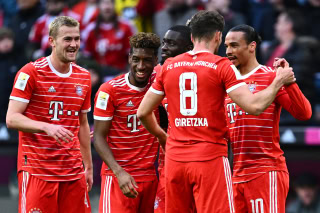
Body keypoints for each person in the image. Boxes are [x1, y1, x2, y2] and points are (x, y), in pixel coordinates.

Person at [137, 10, 295, 213]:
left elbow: (143, 112)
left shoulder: (169, 66)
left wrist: (162, 136)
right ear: (218, 36)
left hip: (175, 161)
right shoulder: (221, 66)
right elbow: (255, 107)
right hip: (209, 160)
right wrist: (278, 82)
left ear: (192, 37)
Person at [6, 16, 93, 213]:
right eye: (67, 39)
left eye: (77, 39)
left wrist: (88, 166)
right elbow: (12, 118)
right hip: (38, 171)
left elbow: (83, 124)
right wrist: (46, 126)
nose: (74, 45)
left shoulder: (84, 76)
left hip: (73, 173)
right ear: (51, 41)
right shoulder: (31, 72)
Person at [224, 24, 312, 213]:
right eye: (226, 46)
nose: (228, 51)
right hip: (237, 174)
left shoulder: (270, 77)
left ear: (252, 46)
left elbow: (304, 113)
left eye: (234, 45)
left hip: (265, 171)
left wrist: (290, 83)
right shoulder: (228, 83)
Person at [93, 32, 160, 213]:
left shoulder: (159, 87)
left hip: (150, 177)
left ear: (155, 60)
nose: (141, 65)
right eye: (136, 59)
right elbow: (98, 137)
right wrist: (119, 172)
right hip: (119, 177)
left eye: (147, 60)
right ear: (129, 58)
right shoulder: (109, 91)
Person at [154, 25, 193, 213]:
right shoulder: (154, 74)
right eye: (163, 42)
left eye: (170, 43)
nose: (164, 47)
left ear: (187, 48)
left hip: (199, 159)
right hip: (165, 161)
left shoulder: (203, 76)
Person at [82, 0, 136, 74]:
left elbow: (133, 55)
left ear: (114, 5)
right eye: (104, 3)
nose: (107, 7)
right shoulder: (90, 30)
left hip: (122, 75)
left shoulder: (126, 27)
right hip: (98, 77)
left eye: (110, 3)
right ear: (98, 6)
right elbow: (86, 58)